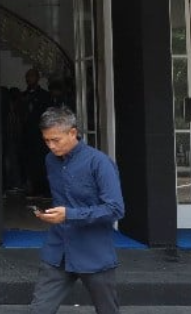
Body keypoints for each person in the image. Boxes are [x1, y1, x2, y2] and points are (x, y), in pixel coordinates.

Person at [30, 107, 125, 314]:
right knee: (39, 309)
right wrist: (51, 214)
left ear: (73, 133)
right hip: (58, 249)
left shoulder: (99, 162)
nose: (51, 146)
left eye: (56, 140)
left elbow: (115, 209)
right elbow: (62, 199)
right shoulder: (50, 160)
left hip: (93, 251)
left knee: (107, 310)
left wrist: (69, 215)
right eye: (46, 141)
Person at [21, 68, 54, 197]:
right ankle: (32, 187)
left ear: (37, 78)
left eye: (31, 76)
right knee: (29, 161)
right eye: (27, 77)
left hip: (41, 134)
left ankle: (44, 189)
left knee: (42, 161)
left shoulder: (45, 95)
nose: (29, 79)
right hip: (26, 134)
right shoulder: (23, 96)